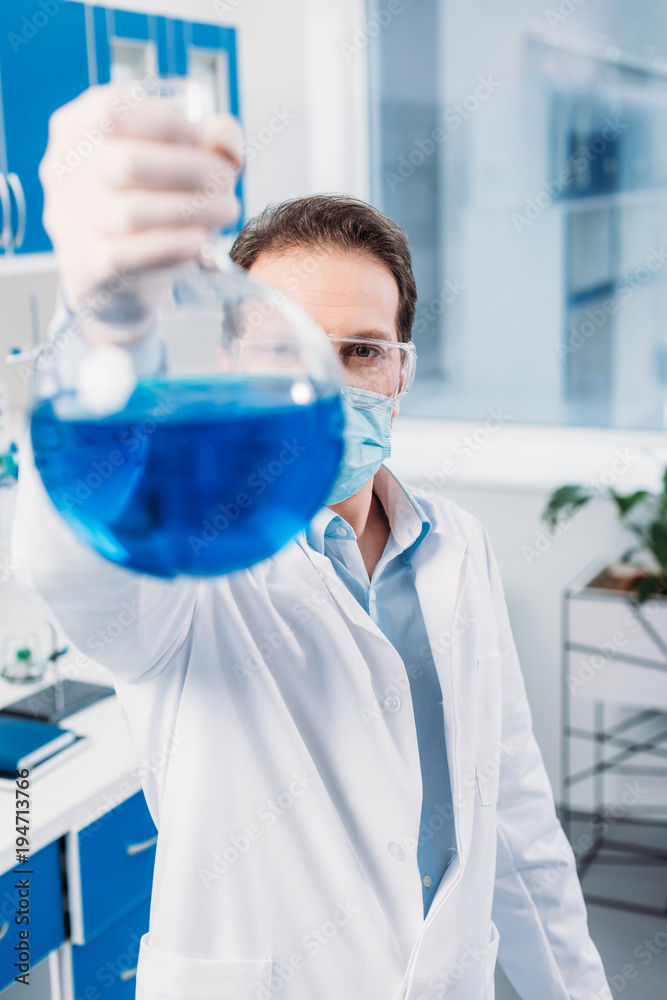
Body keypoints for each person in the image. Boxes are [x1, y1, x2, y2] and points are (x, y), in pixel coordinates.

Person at [13, 84, 611, 1000]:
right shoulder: (197, 562)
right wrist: (107, 315)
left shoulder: (460, 547)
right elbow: (85, 559)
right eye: (287, 345)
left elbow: (516, 821)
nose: (330, 389)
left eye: (362, 351)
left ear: (401, 373)